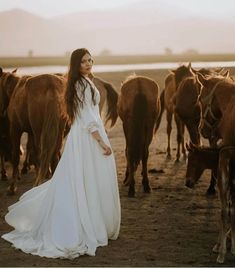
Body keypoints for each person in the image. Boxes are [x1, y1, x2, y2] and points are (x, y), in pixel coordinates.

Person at [1, 48, 121, 259]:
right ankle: (82, 223)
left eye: (90, 60)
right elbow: (85, 118)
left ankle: (93, 220)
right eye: (84, 61)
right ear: (76, 64)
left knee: (87, 178)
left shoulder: (86, 82)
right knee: (84, 178)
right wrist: (101, 142)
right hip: (87, 137)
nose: (88, 64)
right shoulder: (78, 85)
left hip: (89, 134)